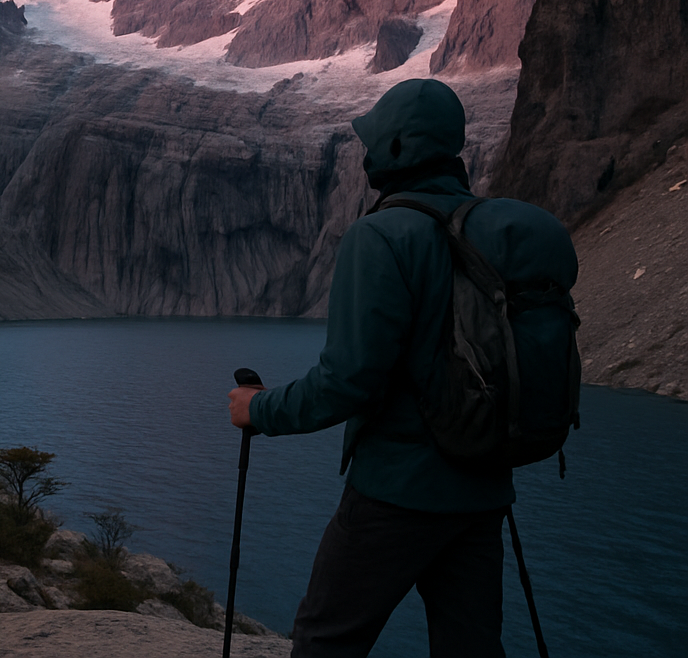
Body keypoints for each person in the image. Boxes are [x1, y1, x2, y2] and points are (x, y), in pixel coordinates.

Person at [228, 78, 577, 658]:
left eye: (374, 142)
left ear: (395, 149)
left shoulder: (381, 236)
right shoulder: (500, 234)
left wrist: (258, 409)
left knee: (327, 638)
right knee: (470, 648)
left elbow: (347, 381)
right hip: (483, 489)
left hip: (395, 492)